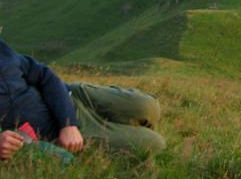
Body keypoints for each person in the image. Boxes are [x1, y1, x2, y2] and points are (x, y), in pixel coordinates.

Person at [0, 38, 165, 160]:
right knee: (154, 144)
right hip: (57, 134)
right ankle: (125, 134)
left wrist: (68, 122)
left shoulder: (4, 52)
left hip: (72, 97)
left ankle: (125, 128)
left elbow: (45, 76)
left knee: (149, 106)